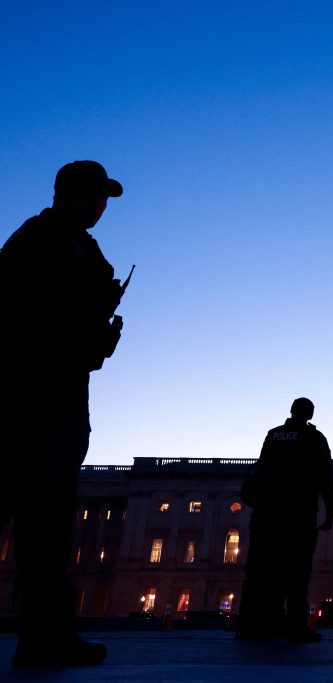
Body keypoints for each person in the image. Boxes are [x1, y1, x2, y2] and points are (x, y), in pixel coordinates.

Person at [0, 161, 127, 667]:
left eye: (105, 197)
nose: (100, 205)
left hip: (62, 390)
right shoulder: (39, 239)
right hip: (29, 393)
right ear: (65, 191)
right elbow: (27, 316)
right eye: (94, 193)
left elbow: (77, 327)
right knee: (33, 511)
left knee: (49, 521)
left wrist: (100, 336)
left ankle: (46, 636)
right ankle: (45, 636)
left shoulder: (79, 244)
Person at [238, 397, 333, 643]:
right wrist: (332, 510)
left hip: (266, 514)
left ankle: (253, 625)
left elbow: (259, 469)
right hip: (298, 514)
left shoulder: (273, 435)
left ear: (291, 411)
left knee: (260, 571)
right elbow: (325, 476)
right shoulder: (315, 438)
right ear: (310, 414)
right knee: (297, 572)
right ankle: (296, 626)